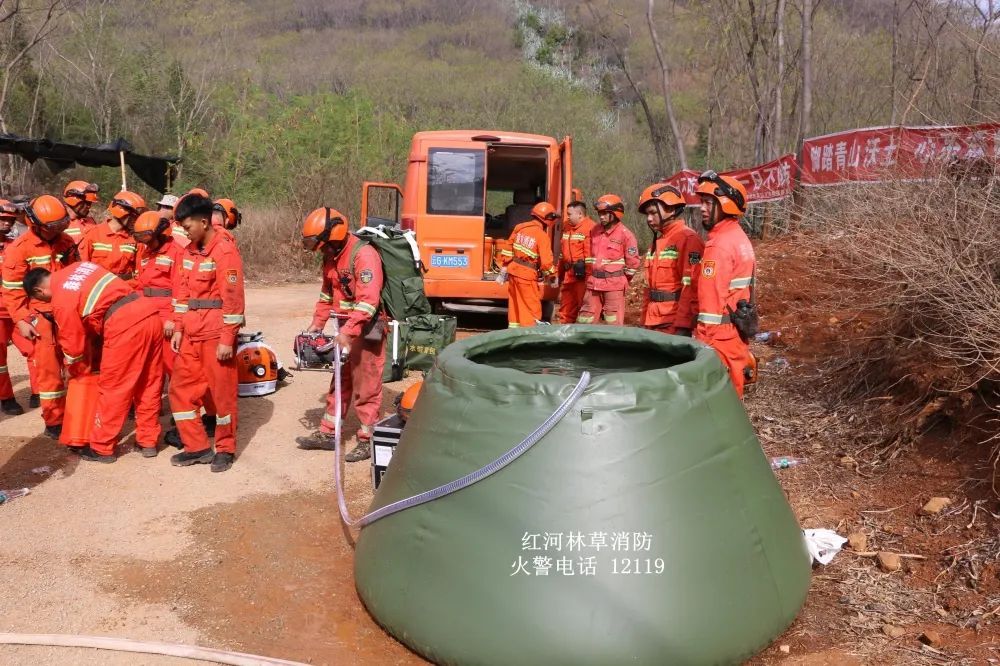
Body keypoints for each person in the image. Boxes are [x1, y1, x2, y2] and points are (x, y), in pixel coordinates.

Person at [22, 263, 164, 462]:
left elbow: (73, 345)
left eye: (42, 299)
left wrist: (73, 369)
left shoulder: (61, 299)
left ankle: (102, 447)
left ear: (39, 290)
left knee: (114, 387)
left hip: (123, 325)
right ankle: (148, 441)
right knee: (149, 382)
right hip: (148, 313)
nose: (47, 301)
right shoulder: (80, 266)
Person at [295, 207, 385, 462]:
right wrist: (318, 322)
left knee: (366, 383)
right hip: (343, 328)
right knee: (340, 378)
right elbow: (327, 293)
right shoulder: (331, 256)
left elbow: (369, 302)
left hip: (368, 328)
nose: (320, 250)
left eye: (322, 245)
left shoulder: (364, 255)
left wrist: (349, 331)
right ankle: (328, 432)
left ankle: (368, 438)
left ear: (332, 238)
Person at [168, 194, 245, 472]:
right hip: (190, 331)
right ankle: (197, 447)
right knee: (180, 390)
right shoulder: (189, 251)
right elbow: (182, 291)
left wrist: (227, 338)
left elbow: (234, 300)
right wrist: (177, 326)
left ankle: (225, 448)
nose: (185, 232)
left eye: (187, 227)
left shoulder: (224, 252)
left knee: (222, 395)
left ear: (203, 222)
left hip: (214, 334)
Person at [1, 195, 79, 437]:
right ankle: (54, 421)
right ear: (36, 223)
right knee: (48, 371)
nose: (56, 231)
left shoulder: (66, 242)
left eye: (60, 225)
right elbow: (13, 292)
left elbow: (77, 274)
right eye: (51, 227)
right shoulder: (19, 249)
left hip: (68, 312)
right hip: (39, 317)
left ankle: (78, 414)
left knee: (77, 364)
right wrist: (22, 320)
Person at [694, 171, 756, 399]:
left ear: (726, 204)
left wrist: (701, 346)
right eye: (702, 202)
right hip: (734, 337)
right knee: (732, 401)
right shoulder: (739, 238)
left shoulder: (718, 246)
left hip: (718, 340)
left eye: (709, 203)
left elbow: (711, 307)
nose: (702, 208)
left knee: (716, 404)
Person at [638, 184, 703, 335]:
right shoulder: (657, 243)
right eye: (647, 214)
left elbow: (691, 287)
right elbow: (649, 288)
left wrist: (683, 326)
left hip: (672, 322)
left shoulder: (688, 239)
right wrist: (644, 320)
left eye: (653, 213)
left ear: (672, 210)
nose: (649, 219)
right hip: (653, 321)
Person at [133, 211, 185, 374]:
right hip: (146, 311)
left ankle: (181, 399)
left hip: (165, 312)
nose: (146, 244)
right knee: (150, 366)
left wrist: (173, 319)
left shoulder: (176, 252)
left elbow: (181, 288)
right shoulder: (144, 251)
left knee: (171, 363)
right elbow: (140, 284)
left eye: (148, 239)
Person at [576, 194, 640, 326]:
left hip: (614, 286)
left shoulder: (626, 235)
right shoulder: (594, 231)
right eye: (600, 213)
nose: (601, 217)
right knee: (585, 320)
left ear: (616, 214)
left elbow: (632, 265)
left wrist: (618, 279)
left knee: (613, 322)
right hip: (593, 284)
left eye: (605, 213)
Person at [0, 199, 35, 415]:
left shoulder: (17, 245)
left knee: (34, 348)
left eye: (10, 220)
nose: (7, 223)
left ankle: (40, 392)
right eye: (2, 219)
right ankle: (6, 397)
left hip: (19, 308)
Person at [498, 202, 557, 328]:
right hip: (526, 276)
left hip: (513, 272)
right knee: (531, 309)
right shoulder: (542, 236)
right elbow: (546, 263)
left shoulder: (519, 228)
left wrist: (504, 266)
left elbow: (508, 247)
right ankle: (529, 336)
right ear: (547, 219)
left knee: (515, 306)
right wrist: (552, 276)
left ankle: (513, 334)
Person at [79, 191, 145, 283]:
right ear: (121, 210)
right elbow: (82, 267)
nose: (136, 220)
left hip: (124, 290)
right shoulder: (93, 234)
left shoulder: (136, 239)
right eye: (134, 216)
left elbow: (140, 272)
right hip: (97, 288)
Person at [557, 201, 595, 324]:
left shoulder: (590, 228)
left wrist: (589, 278)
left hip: (582, 278)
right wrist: (558, 275)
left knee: (585, 311)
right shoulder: (566, 227)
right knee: (566, 311)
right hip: (569, 276)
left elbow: (590, 256)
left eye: (569, 214)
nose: (567, 217)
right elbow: (563, 254)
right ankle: (565, 339)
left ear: (580, 214)